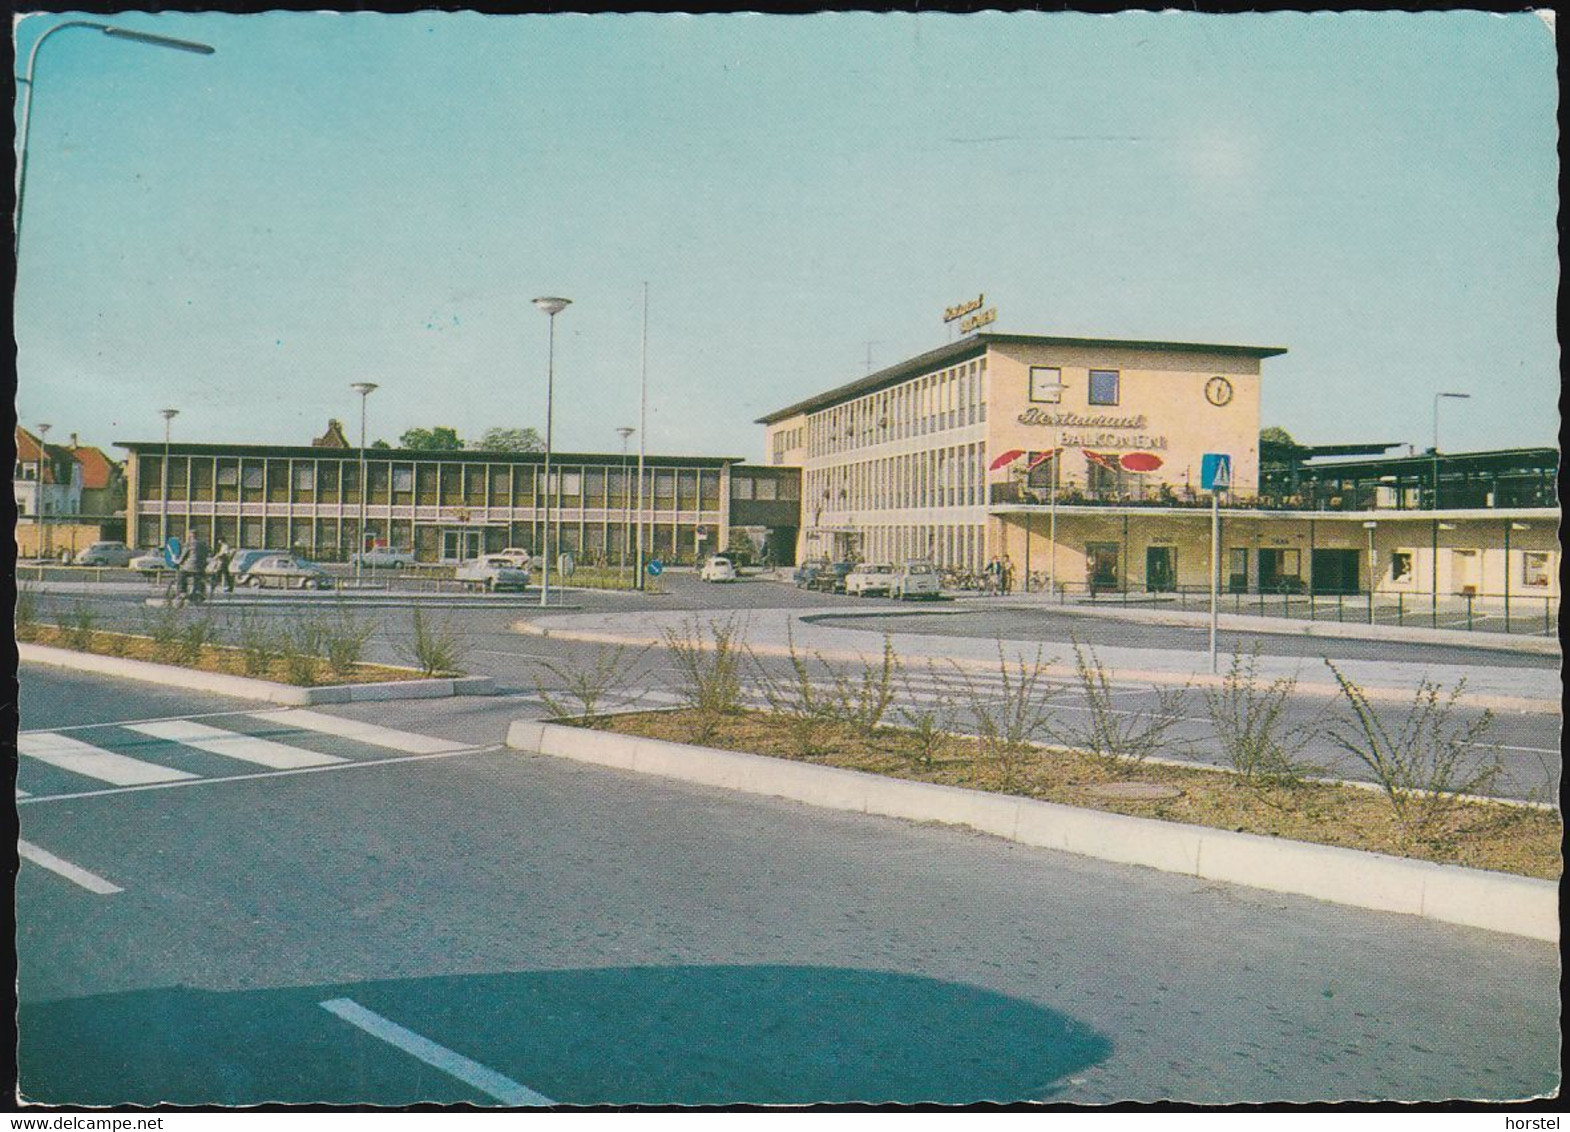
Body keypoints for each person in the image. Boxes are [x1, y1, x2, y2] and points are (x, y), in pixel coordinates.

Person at [176, 529, 210, 603]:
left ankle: (182, 591)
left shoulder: (189, 544)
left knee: (181, 575)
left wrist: (178, 562)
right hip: (200, 567)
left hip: (189, 567)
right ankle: (200, 592)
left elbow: (183, 556)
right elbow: (206, 555)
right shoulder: (203, 544)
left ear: (190, 536)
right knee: (199, 578)